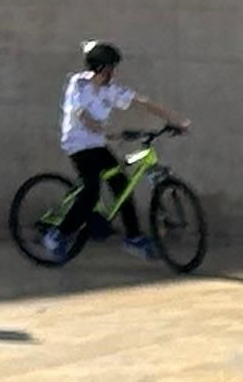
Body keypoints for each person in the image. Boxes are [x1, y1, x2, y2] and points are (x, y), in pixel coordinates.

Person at [58, 40, 188, 254]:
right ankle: (59, 235)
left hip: (97, 144)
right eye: (111, 67)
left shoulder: (112, 90)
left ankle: (134, 238)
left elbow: (142, 102)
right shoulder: (79, 83)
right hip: (77, 144)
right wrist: (100, 129)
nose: (114, 72)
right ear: (100, 67)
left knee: (122, 186)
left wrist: (175, 120)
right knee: (91, 191)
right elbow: (80, 113)